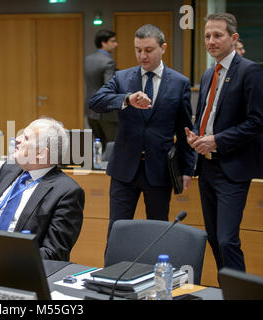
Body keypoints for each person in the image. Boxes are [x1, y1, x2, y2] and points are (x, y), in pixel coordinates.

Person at [89, 24, 195, 241]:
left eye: (148, 50)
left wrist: (187, 168)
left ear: (163, 48)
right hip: (124, 169)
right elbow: (95, 101)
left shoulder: (179, 83)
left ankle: (153, 274)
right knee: (117, 229)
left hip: (159, 169)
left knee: (156, 232)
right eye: (138, 50)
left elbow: (185, 129)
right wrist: (127, 99)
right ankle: (110, 273)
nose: (142, 56)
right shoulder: (122, 78)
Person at [185, 13, 263, 273]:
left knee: (228, 239)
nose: (211, 41)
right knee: (215, 239)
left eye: (217, 35)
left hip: (232, 168)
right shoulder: (209, 74)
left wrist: (217, 140)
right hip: (206, 168)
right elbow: (209, 115)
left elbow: (257, 122)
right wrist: (196, 136)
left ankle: (240, 293)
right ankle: (226, 289)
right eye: (207, 36)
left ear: (234, 38)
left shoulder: (250, 71)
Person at [0, 118, 84, 261]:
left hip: (14, 266)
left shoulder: (66, 192)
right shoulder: (8, 169)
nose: (17, 139)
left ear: (40, 153)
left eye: (26, 138)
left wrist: (4, 257)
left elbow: (53, 253)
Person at [85, 29, 118, 150]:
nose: (116, 44)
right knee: (112, 146)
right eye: (113, 41)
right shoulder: (108, 62)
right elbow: (109, 86)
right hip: (106, 112)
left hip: (90, 110)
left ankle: (99, 168)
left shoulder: (88, 59)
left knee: (100, 146)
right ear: (104, 43)